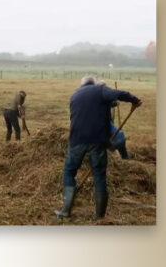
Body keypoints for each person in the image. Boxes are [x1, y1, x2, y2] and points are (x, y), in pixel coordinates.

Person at [55, 75, 142, 220]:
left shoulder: (74, 95)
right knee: (99, 175)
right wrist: (135, 100)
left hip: (77, 140)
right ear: (93, 83)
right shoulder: (100, 90)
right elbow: (119, 94)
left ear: (82, 85)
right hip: (98, 142)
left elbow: (75, 119)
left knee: (69, 171)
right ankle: (99, 216)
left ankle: (65, 210)